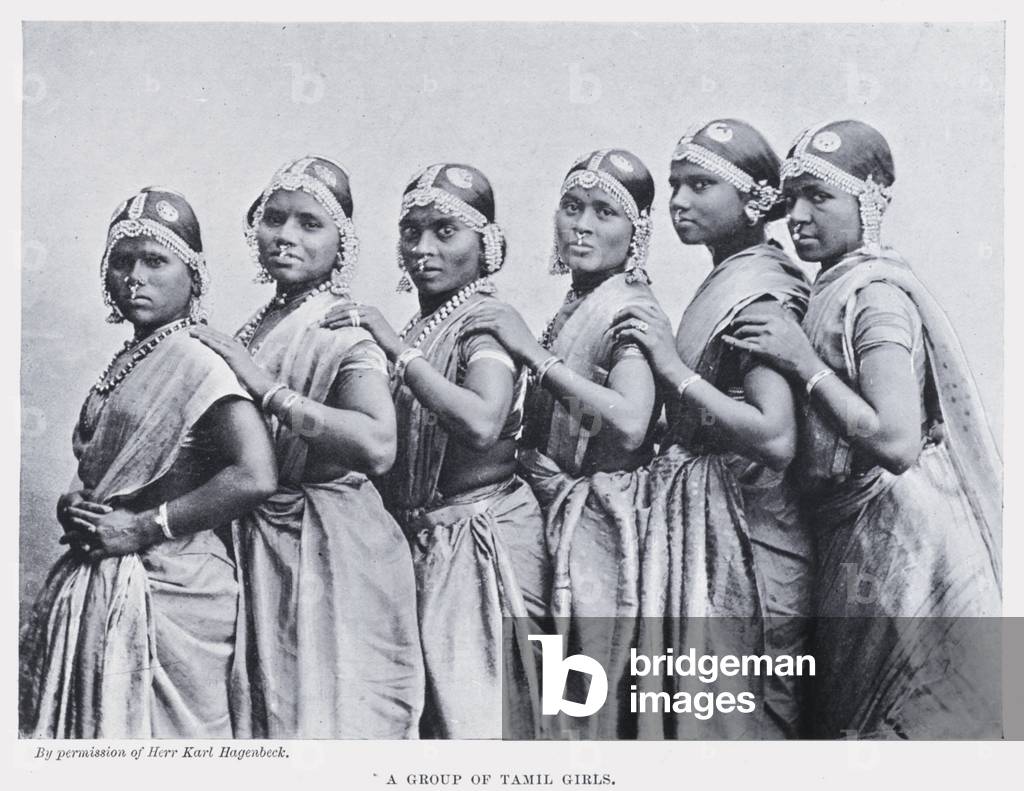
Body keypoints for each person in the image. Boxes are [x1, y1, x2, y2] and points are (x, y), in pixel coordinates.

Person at [726, 120, 1001, 738]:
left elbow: (898, 443)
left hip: (905, 539)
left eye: (820, 197)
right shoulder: (835, 283)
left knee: (903, 728)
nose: (797, 215)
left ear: (870, 201)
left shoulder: (875, 295)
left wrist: (803, 363)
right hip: (855, 534)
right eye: (792, 196)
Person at [20, 188, 278, 738]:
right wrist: (76, 499)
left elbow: (255, 474)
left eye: (155, 261)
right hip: (105, 567)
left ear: (193, 276)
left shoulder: (197, 359)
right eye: (122, 261)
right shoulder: (136, 355)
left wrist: (141, 526)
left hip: (175, 584)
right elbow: (106, 462)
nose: (134, 276)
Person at [192, 156, 424, 738]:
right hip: (260, 539)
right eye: (275, 220)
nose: (286, 236)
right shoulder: (261, 321)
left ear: (341, 242)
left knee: (326, 721)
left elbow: (377, 447)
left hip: (332, 548)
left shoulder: (341, 327)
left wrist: (269, 389)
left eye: (309, 223)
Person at [321, 162, 545, 739]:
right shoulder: (423, 324)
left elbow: (482, 422)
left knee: (484, 728)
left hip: (478, 545)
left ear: (486, 244)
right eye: (411, 232)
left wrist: (394, 350)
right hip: (421, 546)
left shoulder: (486, 324)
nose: (422, 248)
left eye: (445, 232)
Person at [610, 121, 812, 738]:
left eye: (701, 186)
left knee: (734, 720)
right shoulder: (731, 274)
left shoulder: (759, 295)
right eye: (675, 186)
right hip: (714, 517)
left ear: (754, 199)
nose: (678, 201)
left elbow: (775, 436)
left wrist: (671, 370)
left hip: (750, 527)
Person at [462, 149, 661, 738]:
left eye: (605, 212)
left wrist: (534, 357)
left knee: (585, 708)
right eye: (573, 207)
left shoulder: (629, 307)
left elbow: (628, 422)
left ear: (637, 233)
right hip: (557, 518)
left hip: (603, 530)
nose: (582, 224)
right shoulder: (581, 300)